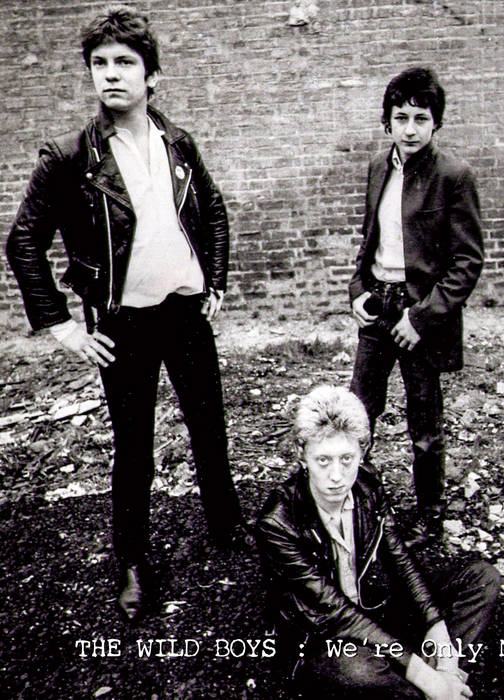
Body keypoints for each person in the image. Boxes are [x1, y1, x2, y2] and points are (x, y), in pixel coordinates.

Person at [6, 6, 246, 620]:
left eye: (125, 62)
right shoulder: (69, 157)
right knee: (134, 444)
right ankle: (134, 561)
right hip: (123, 324)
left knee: (209, 426)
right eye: (100, 63)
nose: (110, 74)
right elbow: (23, 241)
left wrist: (215, 282)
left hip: (186, 314)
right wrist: (62, 326)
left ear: (151, 75)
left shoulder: (178, 142)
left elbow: (214, 212)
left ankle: (227, 526)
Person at [256, 385, 499, 699]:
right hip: (322, 637)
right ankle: (433, 687)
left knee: (481, 577)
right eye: (323, 460)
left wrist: (438, 632)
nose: (336, 476)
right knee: (355, 671)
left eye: (347, 459)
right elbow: (335, 612)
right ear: (302, 456)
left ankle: (445, 680)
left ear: (363, 452)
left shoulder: (368, 485)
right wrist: (423, 675)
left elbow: (400, 560)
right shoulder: (278, 523)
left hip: (374, 613)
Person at [348, 67, 484, 547]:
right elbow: (369, 240)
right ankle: (354, 501)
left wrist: (421, 317)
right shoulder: (377, 167)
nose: (410, 129)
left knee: (424, 423)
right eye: (401, 117)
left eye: (421, 118)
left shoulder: (453, 175)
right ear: (386, 121)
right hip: (378, 307)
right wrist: (357, 290)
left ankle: (429, 513)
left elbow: (467, 261)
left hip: (420, 313)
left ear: (436, 123)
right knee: (358, 412)